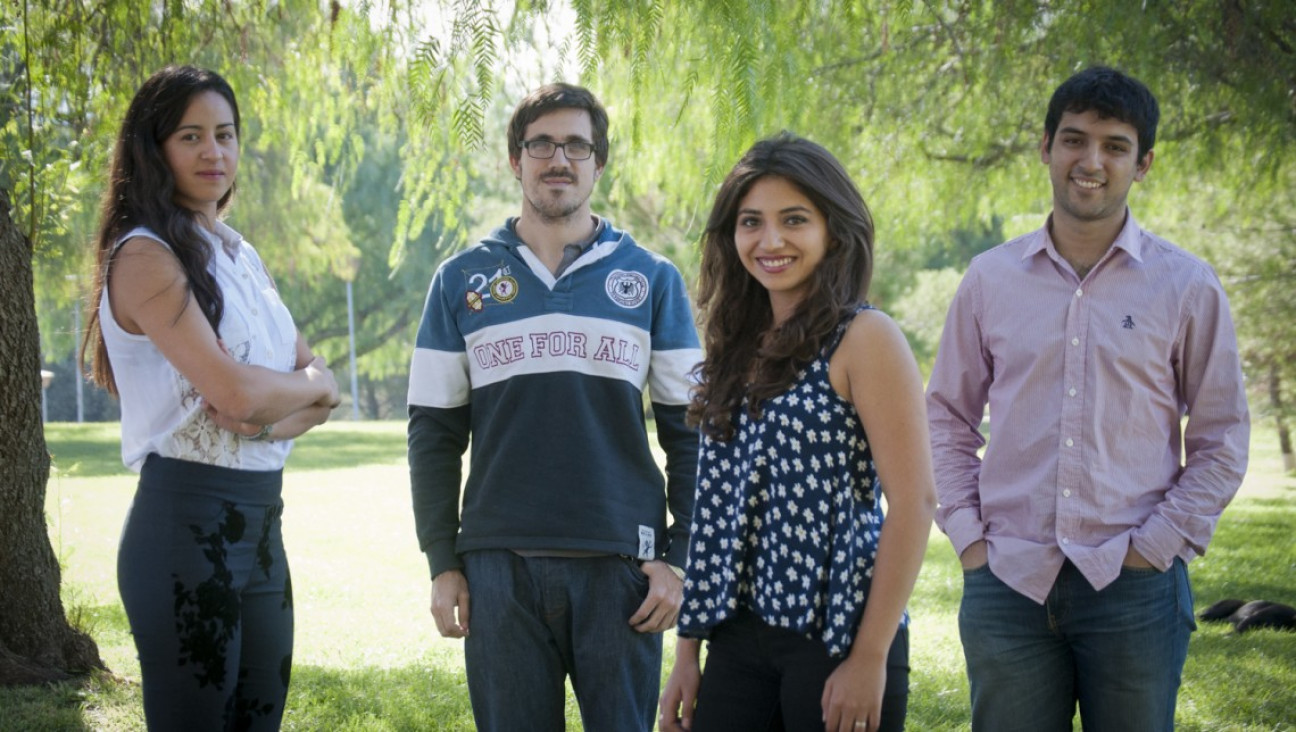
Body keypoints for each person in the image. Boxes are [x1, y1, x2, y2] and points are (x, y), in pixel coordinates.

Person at [926, 66, 1251, 731]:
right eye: (1074, 140)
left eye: (1115, 145)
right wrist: (967, 537)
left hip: (1136, 588)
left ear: (1145, 162)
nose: (1091, 161)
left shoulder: (1187, 285)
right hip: (1008, 581)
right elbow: (945, 418)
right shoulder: (990, 279)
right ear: (1046, 147)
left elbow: (1221, 438)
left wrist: (1154, 547)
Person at [406, 82, 701, 731]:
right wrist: (443, 563)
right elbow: (432, 435)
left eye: (576, 145)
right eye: (541, 144)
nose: (558, 159)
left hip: (621, 570)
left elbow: (693, 437)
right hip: (496, 570)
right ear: (516, 160)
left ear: (599, 162)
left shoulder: (652, 279)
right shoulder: (460, 280)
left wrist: (679, 558)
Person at [81, 65, 340, 730]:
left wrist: (271, 415)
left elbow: (312, 385)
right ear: (154, 148)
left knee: (259, 718)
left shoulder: (235, 252)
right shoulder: (144, 256)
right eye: (190, 136)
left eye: (224, 135)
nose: (212, 152)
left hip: (260, 524)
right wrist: (297, 392)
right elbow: (234, 390)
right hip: (184, 527)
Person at [660, 133, 937, 732]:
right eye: (751, 221)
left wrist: (868, 659)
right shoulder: (736, 346)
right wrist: (687, 652)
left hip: (836, 637)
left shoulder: (866, 338)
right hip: (738, 637)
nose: (771, 240)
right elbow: (714, 509)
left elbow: (914, 504)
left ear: (832, 230)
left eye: (794, 220)